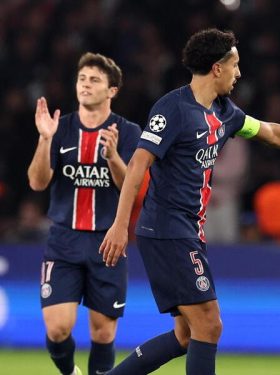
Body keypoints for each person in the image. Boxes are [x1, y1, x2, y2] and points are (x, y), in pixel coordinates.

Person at [98, 28, 280, 375]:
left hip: (186, 230)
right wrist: (119, 225)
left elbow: (270, 132)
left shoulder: (225, 112)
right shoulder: (173, 108)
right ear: (217, 68)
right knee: (209, 324)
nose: (239, 73)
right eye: (235, 65)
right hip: (166, 229)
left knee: (186, 335)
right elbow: (137, 165)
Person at [27, 52, 141, 375]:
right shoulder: (60, 128)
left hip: (108, 242)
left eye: (94, 80)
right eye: (82, 79)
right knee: (57, 328)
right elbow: (37, 182)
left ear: (112, 90)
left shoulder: (128, 132)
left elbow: (129, 188)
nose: (85, 85)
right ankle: (70, 373)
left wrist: (113, 157)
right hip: (64, 240)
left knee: (103, 331)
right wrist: (44, 138)